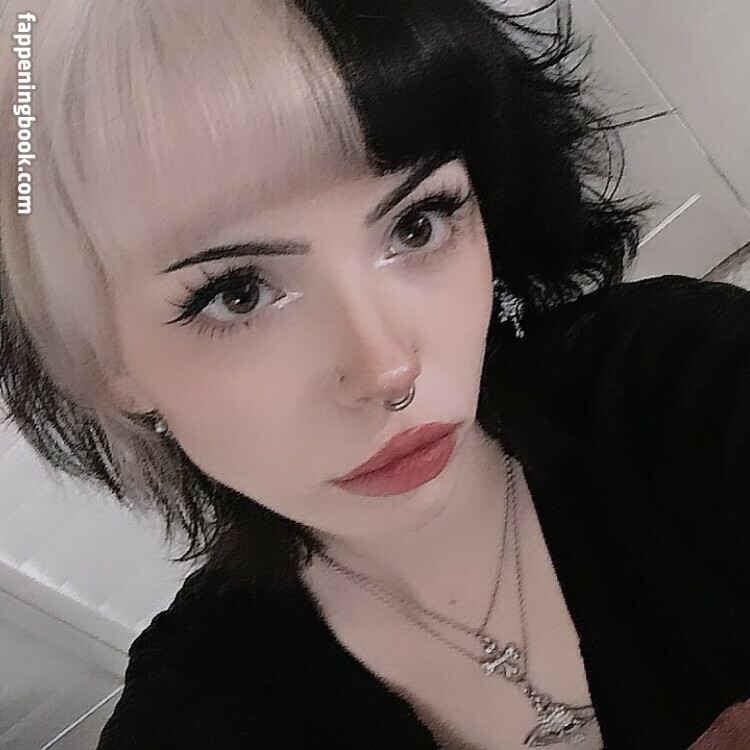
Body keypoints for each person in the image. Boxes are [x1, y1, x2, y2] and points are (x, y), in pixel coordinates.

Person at [0, 0, 748, 748]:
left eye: (417, 224)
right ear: (107, 365)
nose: (388, 370)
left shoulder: (682, 379)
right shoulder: (202, 712)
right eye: (239, 293)